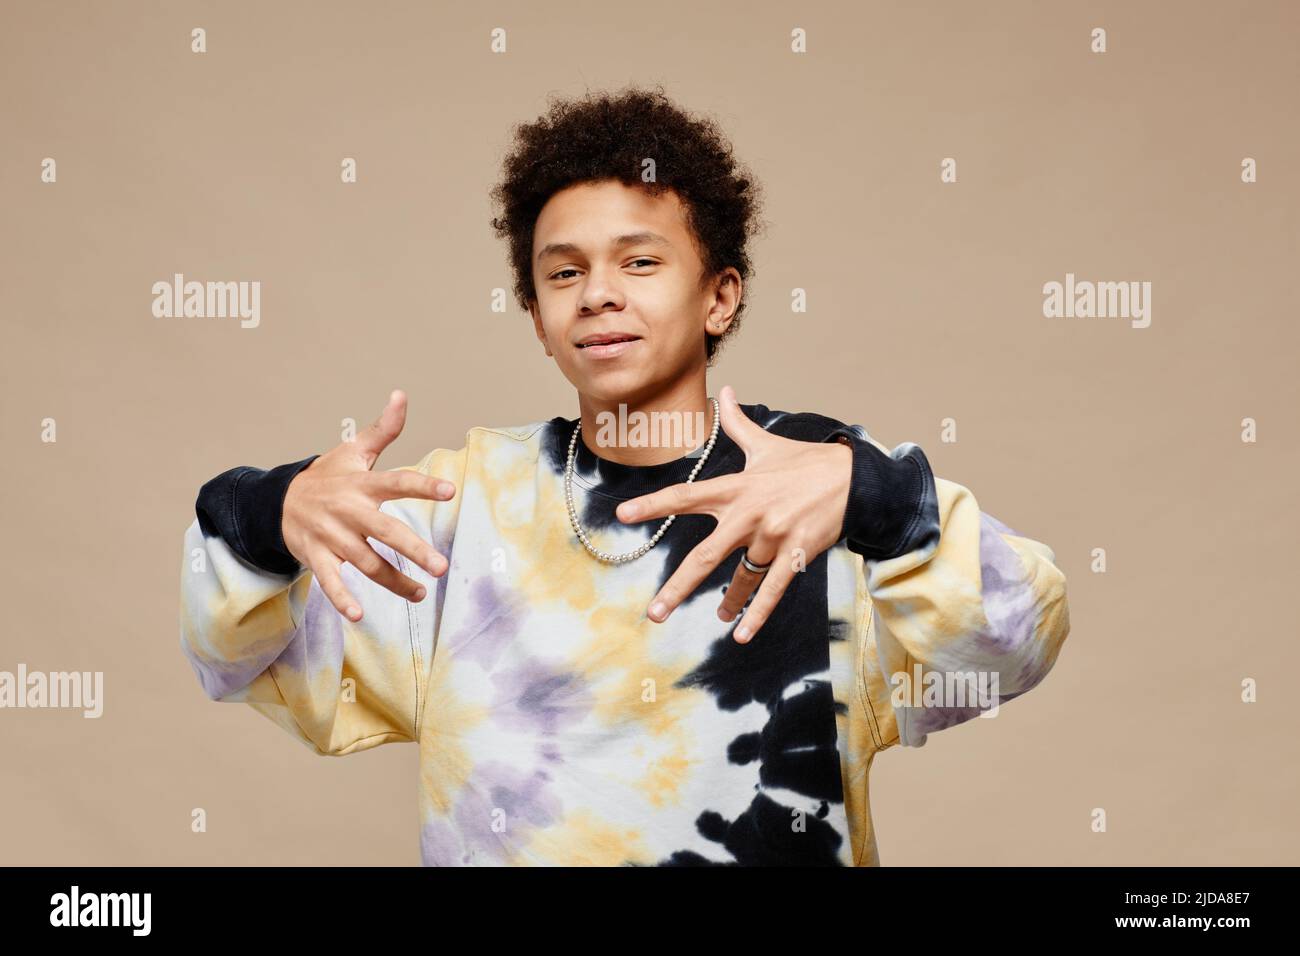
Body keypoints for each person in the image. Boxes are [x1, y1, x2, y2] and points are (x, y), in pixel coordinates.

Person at [178, 85, 1071, 866]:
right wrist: (269, 509)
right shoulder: (466, 505)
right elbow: (237, 656)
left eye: (640, 262)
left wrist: (870, 493)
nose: (598, 294)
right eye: (563, 273)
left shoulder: (814, 488)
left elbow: (1013, 639)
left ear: (720, 294)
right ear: (535, 314)